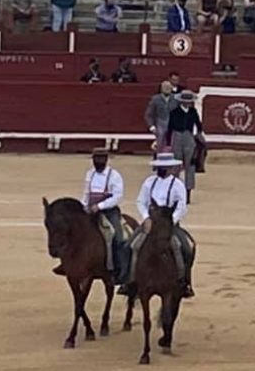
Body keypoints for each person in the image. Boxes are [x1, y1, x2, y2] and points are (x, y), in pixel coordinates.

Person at [134, 152, 194, 297]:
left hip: (169, 224)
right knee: (132, 245)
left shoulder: (178, 185)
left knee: (183, 247)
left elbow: (182, 206)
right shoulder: (149, 182)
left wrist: (170, 221)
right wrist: (146, 217)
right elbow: (141, 201)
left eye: (164, 167)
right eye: (160, 167)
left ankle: (184, 281)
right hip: (151, 222)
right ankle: (131, 280)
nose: (161, 169)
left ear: (170, 168)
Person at [77, 148, 127, 282]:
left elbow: (117, 197)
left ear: (106, 159)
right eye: (96, 159)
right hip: (90, 210)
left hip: (109, 211)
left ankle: (118, 270)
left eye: (101, 159)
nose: (98, 161)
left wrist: (99, 206)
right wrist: (84, 207)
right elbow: (86, 194)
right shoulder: (90, 174)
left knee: (117, 237)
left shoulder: (114, 175)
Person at [166, 91, 204, 202]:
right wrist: (168, 143)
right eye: (186, 101)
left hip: (188, 137)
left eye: (189, 101)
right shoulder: (175, 112)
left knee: (190, 165)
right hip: (177, 137)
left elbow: (199, 125)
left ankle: (188, 193)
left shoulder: (193, 112)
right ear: (181, 101)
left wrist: (197, 136)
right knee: (176, 166)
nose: (188, 103)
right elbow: (170, 128)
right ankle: (176, 191)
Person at [145, 81, 175, 150]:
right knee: (160, 144)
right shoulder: (155, 99)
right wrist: (151, 126)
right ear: (161, 89)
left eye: (169, 87)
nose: (167, 89)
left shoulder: (175, 99)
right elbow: (148, 114)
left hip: (173, 125)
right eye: (165, 87)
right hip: (160, 124)